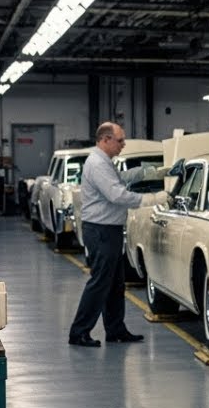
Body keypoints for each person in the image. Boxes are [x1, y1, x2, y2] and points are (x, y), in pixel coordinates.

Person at [68, 123, 168, 347]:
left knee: (115, 284)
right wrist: (154, 199)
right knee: (100, 283)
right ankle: (79, 332)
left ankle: (115, 329)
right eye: (120, 140)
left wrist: (153, 171)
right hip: (101, 231)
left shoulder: (104, 162)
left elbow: (120, 178)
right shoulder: (97, 164)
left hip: (108, 230)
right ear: (105, 140)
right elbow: (117, 194)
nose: (123, 144)